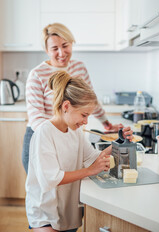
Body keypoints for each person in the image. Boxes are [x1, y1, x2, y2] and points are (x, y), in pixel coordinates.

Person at [25, 71, 132, 231]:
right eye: (84, 115)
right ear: (66, 106)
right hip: (45, 214)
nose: (86, 121)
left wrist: (119, 142)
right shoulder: (44, 133)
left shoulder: (75, 131)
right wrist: (89, 171)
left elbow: (94, 158)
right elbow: (50, 179)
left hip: (68, 211)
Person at [23, 23, 123, 173]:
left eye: (65, 45)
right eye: (55, 48)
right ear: (46, 50)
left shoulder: (79, 67)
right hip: (42, 140)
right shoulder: (37, 74)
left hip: (69, 136)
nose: (62, 53)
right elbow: (36, 118)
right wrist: (61, 137)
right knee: (46, 189)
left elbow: (90, 101)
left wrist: (107, 125)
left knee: (66, 188)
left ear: (72, 43)